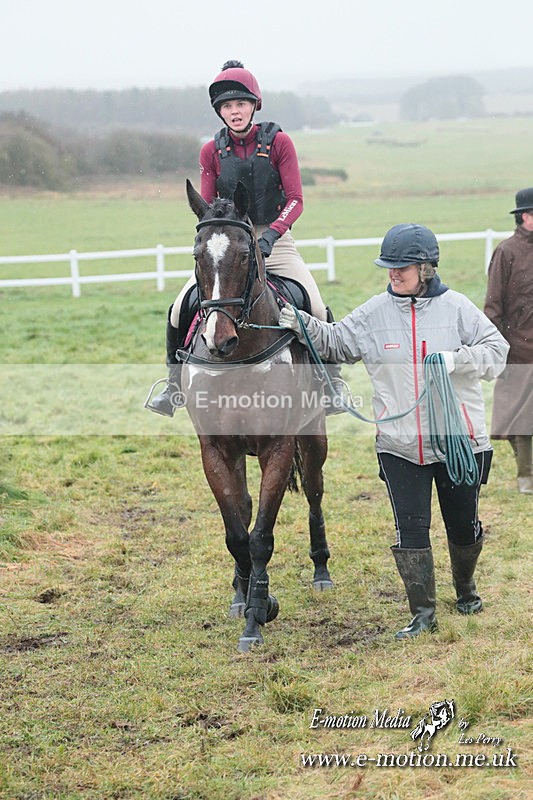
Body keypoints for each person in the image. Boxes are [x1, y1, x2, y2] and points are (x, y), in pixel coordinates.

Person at [279, 223, 509, 640]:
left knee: (462, 526)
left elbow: (498, 354)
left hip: (461, 442)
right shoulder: (373, 313)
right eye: (389, 266)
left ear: (426, 268)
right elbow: (336, 342)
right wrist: (301, 324)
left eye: (402, 267)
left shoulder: (458, 308)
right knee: (411, 530)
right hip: (399, 446)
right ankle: (422, 614)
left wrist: (455, 360)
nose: (393, 274)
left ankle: (466, 589)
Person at [148, 59, 338, 417]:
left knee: (314, 304)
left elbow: (296, 199)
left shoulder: (280, 142)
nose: (234, 112)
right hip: (229, 240)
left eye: (240, 104)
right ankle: (173, 386)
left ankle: (330, 384)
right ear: (220, 111)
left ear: (254, 105)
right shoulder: (211, 151)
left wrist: (271, 237)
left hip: (274, 238)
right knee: (178, 309)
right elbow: (207, 211)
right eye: (227, 106)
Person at [483, 187, 533, 494]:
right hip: (518, 349)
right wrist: (496, 351)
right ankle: (526, 476)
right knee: (522, 416)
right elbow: (493, 307)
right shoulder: (506, 252)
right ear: (527, 217)